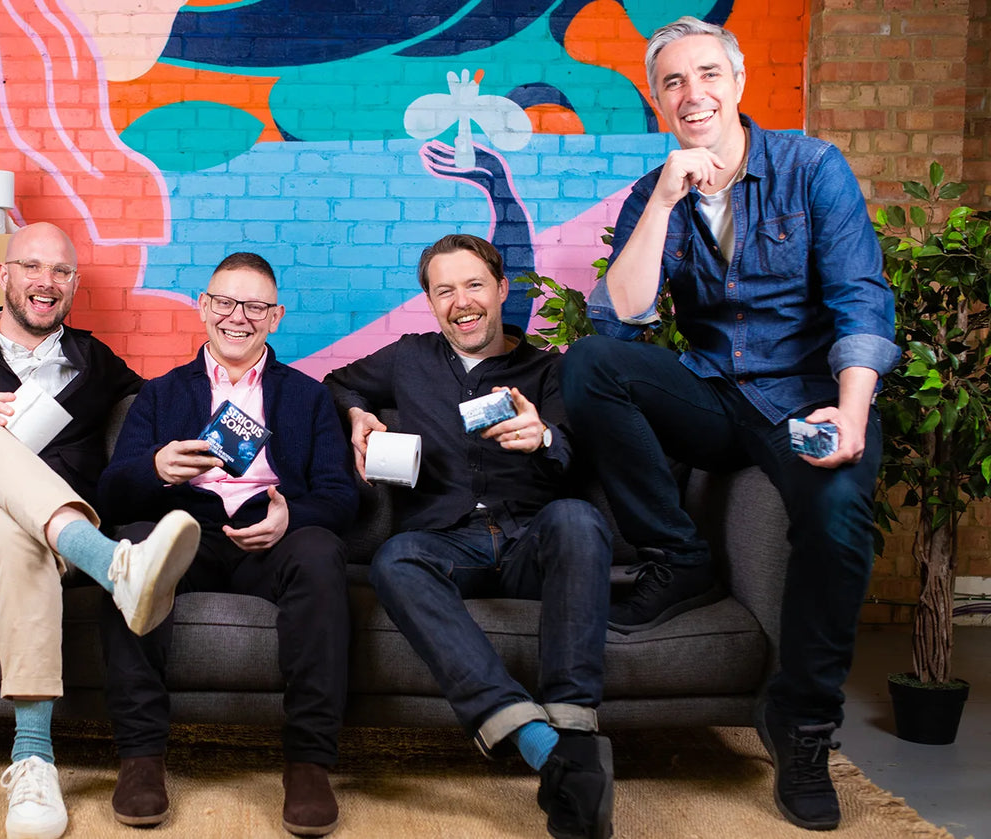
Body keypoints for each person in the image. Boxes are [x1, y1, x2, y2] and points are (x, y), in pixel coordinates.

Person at [559, 17, 899, 832]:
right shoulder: (658, 190)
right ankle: (679, 555)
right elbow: (623, 319)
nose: (693, 94)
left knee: (839, 519)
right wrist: (669, 195)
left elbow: (861, 296)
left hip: (807, 398)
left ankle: (802, 722)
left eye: (707, 74)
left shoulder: (812, 169)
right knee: (588, 364)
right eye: (673, 82)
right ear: (658, 101)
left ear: (739, 83)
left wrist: (852, 413)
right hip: (715, 395)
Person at [0, 222, 202, 839]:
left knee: (15, 525)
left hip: (30, 545)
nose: (45, 281)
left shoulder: (93, 363)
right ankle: (113, 564)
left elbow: (165, 404)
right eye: (31, 266)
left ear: (74, 286)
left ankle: (33, 759)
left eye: (60, 271)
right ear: (4, 276)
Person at [324, 234, 614, 839]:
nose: (462, 301)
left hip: (532, 537)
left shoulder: (548, 369)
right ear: (430, 302)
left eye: (475, 285)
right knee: (394, 557)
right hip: (445, 542)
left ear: (502, 290)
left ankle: (573, 731)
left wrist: (545, 440)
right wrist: (357, 413)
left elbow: (582, 458)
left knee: (579, 519)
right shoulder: (409, 358)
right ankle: (543, 746)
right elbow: (336, 381)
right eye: (444, 290)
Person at [96, 252, 358, 836]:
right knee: (132, 546)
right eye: (225, 302)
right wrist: (158, 469)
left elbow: (343, 497)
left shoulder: (308, 396)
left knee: (320, 552)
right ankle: (140, 758)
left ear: (276, 317)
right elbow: (111, 495)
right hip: (186, 537)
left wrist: (291, 518)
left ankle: (309, 763)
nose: (238, 316)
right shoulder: (162, 395)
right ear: (204, 307)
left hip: (273, 541)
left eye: (255, 305)